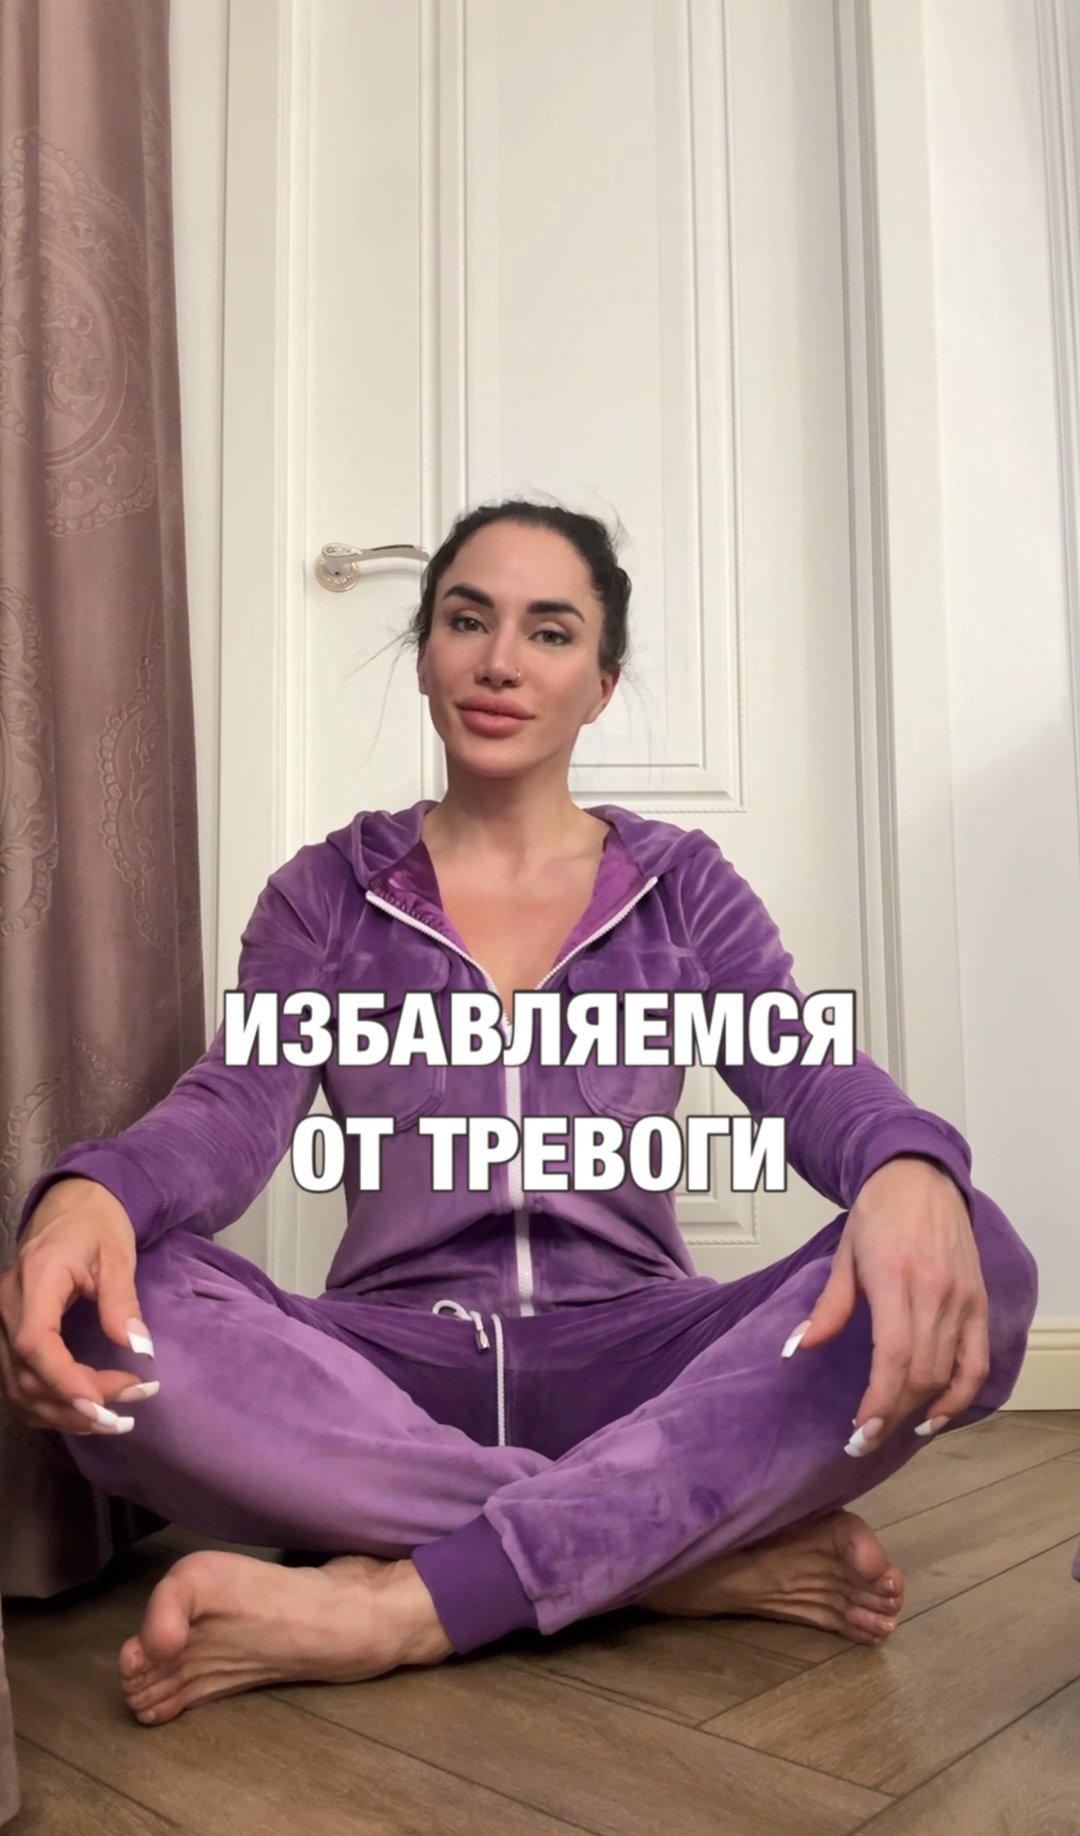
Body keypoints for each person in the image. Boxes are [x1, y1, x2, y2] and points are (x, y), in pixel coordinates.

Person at [0, 501, 1039, 1729]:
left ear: (600, 685)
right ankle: (665, 1554)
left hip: (643, 1365)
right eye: (467, 620)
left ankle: (403, 1605)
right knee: (119, 1302)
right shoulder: (325, 894)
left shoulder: (682, 888)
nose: (501, 661)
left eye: (550, 632)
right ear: (425, 653)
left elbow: (806, 1070)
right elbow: (232, 1109)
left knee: (978, 1252)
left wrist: (906, 1166)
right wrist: (94, 1192)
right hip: (387, 1378)